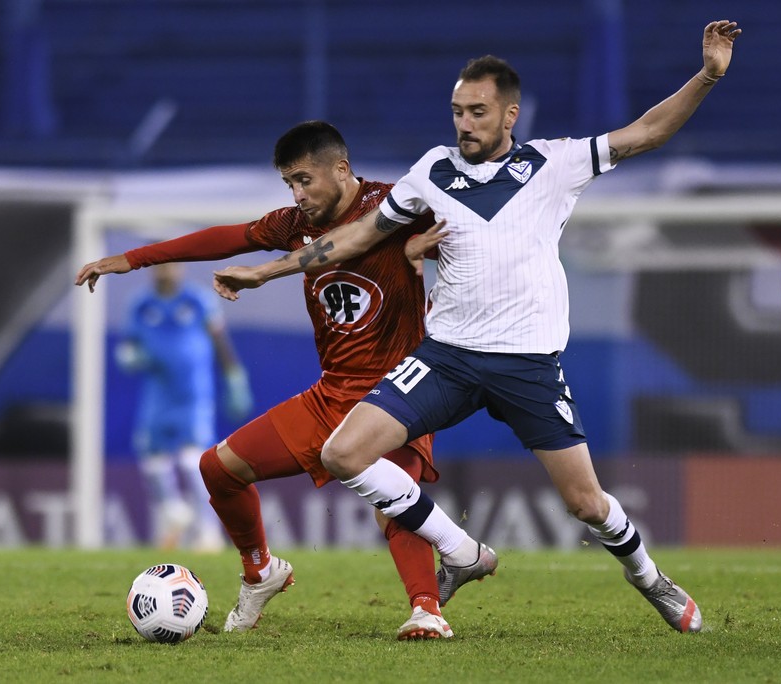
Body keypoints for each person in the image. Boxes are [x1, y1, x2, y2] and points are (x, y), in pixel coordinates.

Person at [211, 20, 743, 634]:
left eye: (478, 112)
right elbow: (357, 236)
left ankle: (649, 577)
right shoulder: (432, 172)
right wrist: (271, 271)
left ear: (510, 113)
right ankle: (461, 550)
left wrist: (707, 75)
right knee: (343, 452)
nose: (465, 124)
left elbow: (647, 132)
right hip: (447, 359)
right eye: (458, 111)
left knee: (586, 504)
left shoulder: (554, 163)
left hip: (528, 364)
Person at [76, 121, 463, 640]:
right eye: (289, 185)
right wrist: (131, 259)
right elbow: (224, 239)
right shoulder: (291, 226)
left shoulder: (394, 206)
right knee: (218, 468)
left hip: (398, 391)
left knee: (391, 498)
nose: (298, 195)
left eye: (305, 180)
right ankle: (260, 571)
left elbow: (466, 243)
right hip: (332, 392)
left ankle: (426, 609)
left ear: (341, 169)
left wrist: (432, 272)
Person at [116, 261, 254, 552]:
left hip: (194, 394)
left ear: (180, 268)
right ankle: (173, 511)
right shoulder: (141, 304)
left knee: (193, 461)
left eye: (171, 266)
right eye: (160, 267)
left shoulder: (198, 299)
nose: (166, 272)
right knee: (152, 458)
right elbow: (130, 342)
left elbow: (219, 340)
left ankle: (208, 532)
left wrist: (234, 377)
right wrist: (129, 354)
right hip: (158, 394)